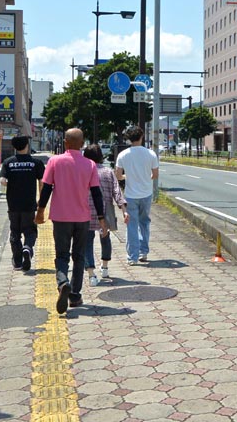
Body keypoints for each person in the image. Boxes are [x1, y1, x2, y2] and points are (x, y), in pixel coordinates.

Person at [35, 128, 105, 314]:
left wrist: (40, 211)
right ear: (82, 144)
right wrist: (102, 218)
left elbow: (47, 188)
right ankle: (74, 295)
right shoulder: (90, 165)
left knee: (61, 255)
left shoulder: (55, 161)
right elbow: (97, 194)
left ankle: (63, 282)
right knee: (79, 256)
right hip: (83, 218)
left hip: (60, 217)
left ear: (65, 142)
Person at [82, 145, 127, 285]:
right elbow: (116, 191)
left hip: (86, 209)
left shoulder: (83, 171)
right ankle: (105, 267)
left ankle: (91, 275)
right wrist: (124, 209)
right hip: (105, 209)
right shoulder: (108, 171)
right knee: (105, 238)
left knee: (87, 242)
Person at [0, 136, 44, 271]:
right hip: (29, 204)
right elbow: (42, 182)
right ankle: (27, 248)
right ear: (27, 146)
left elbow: (2, 181)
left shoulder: (8, 162)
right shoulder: (36, 162)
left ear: (14, 147)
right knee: (30, 230)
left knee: (15, 232)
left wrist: (7, 182)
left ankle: (17, 262)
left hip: (13, 204)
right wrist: (41, 199)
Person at [115, 126, 159, 265]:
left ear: (128, 138)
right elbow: (155, 175)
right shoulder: (151, 154)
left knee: (131, 225)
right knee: (144, 222)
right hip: (146, 193)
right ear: (142, 137)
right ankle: (143, 252)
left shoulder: (123, 155)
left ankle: (133, 257)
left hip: (130, 194)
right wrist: (145, 177)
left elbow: (118, 176)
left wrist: (128, 176)